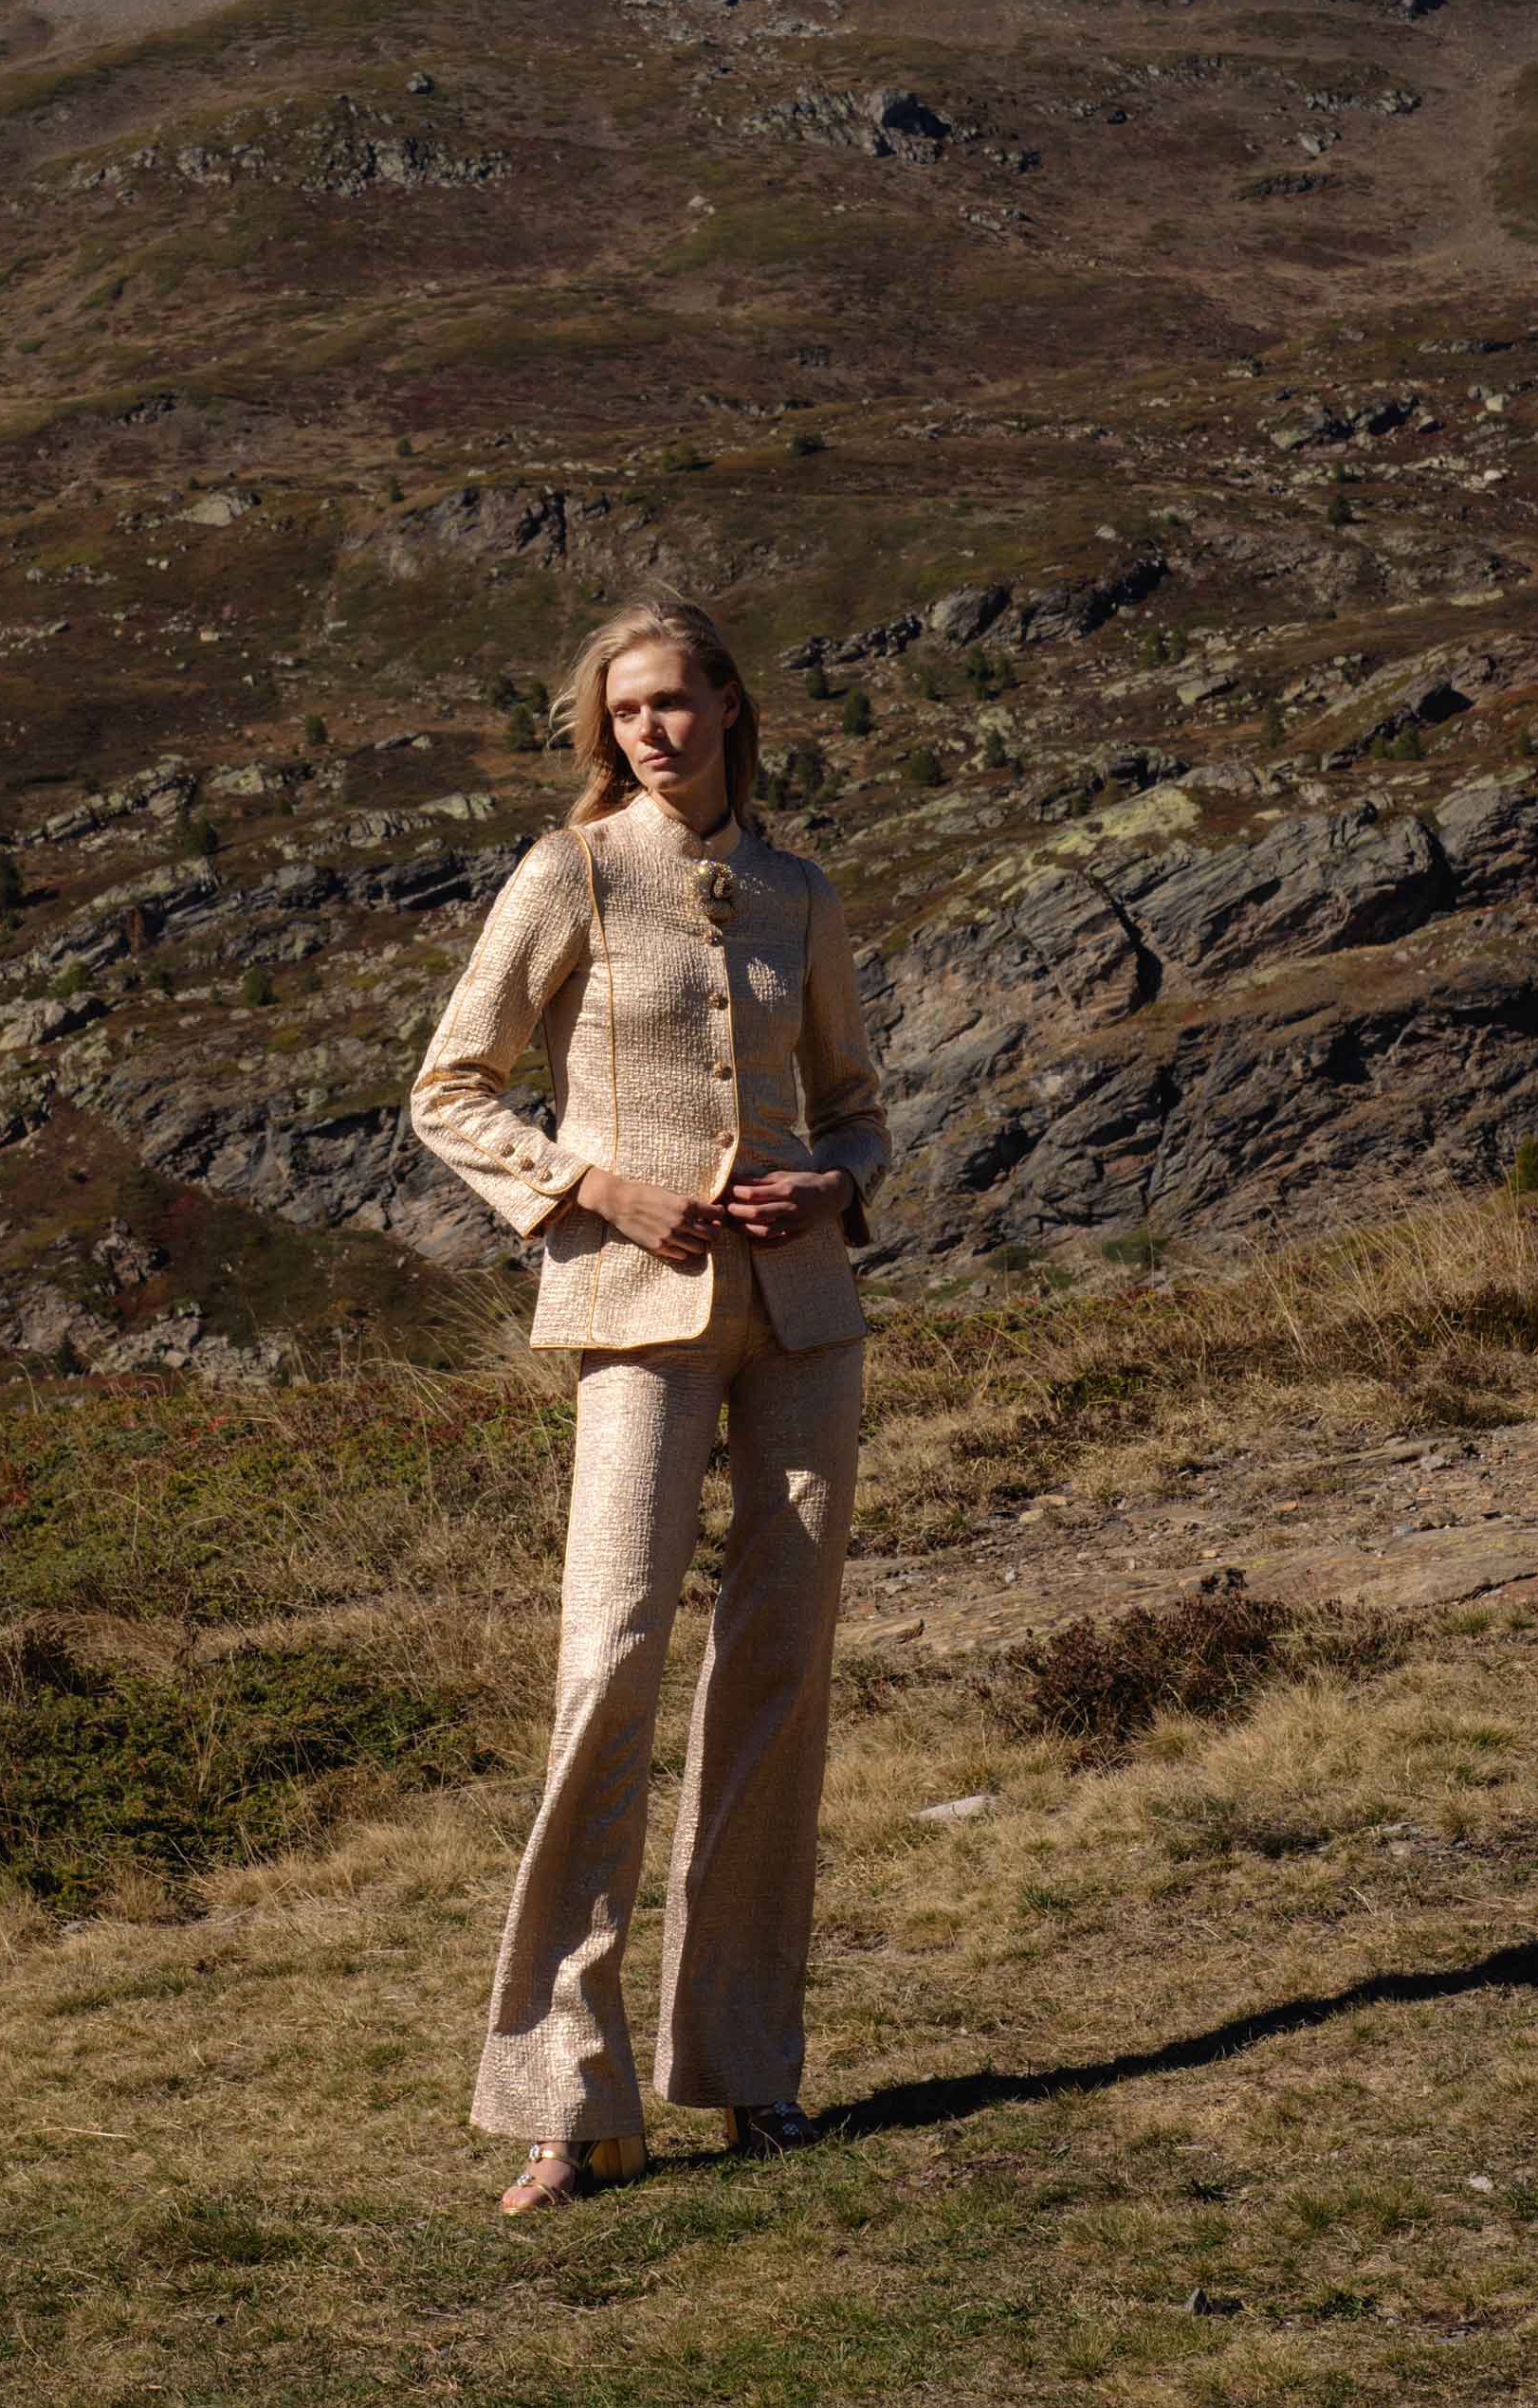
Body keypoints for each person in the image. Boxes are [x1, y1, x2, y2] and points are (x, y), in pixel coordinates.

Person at [408, 591, 891, 2216]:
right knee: (608, 1658)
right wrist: (592, 1184)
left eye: (678, 701)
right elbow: (450, 1087)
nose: (653, 730)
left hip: (807, 1324)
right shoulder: (570, 875)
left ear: (735, 707)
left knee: (775, 1673)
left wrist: (831, 1181)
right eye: (627, 711)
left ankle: (750, 2069)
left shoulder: (800, 893)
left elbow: (864, 1113)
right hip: (626, 1313)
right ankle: (570, 2093)